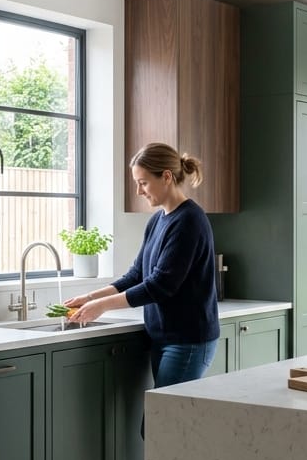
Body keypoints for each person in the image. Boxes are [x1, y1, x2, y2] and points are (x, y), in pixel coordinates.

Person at [64, 142, 220, 389]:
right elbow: (137, 275)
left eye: (143, 182)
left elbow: (160, 286)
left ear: (166, 177)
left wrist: (102, 306)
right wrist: (90, 297)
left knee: (162, 423)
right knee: (162, 422)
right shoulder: (157, 220)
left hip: (187, 340)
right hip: (164, 337)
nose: (138, 191)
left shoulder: (189, 220)